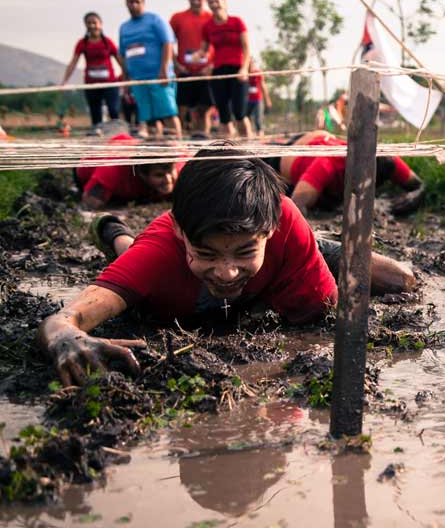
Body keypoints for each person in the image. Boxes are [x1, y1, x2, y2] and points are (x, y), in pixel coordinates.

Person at [39, 146, 417, 386]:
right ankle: (113, 230)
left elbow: (319, 322)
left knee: (402, 280)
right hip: (158, 259)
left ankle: (321, 244)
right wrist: (65, 339)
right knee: (131, 254)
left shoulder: (285, 227)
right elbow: (62, 320)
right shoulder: (160, 251)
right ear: (181, 232)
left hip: (294, 244)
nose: (225, 272)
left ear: (270, 232)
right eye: (206, 254)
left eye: (242, 253)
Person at [264, 130, 424, 216]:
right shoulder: (327, 164)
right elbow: (297, 206)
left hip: (322, 140)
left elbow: (418, 185)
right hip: (287, 156)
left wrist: (413, 198)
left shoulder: (388, 161)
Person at [119, 0, 182, 139]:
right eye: (130, 2)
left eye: (137, 2)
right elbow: (122, 53)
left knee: (168, 113)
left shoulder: (155, 20)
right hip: (138, 79)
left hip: (158, 76)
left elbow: (168, 43)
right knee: (149, 119)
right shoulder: (124, 27)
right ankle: (159, 158)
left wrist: (164, 69)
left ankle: (180, 153)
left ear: (143, 2)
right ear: (126, 4)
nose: (134, 5)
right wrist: (126, 77)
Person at [194, 0, 251, 138]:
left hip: (237, 70)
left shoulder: (236, 22)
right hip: (219, 71)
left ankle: (251, 144)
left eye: (217, 1)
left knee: (239, 112)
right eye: (211, 2)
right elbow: (204, 50)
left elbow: (246, 47)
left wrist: (244, 68)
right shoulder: (208, 26)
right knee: (223, 113)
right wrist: (197, 55)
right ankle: (229, 147)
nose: (214, 4)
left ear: (224, 3)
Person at [73, 133, 179, 209]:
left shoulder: (180, 166)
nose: (168, 179)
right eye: (159, 175)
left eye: (170, 172)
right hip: (88, 168)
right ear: (142, 174)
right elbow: (89, 203)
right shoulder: (112, 172)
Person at [61, 12, 124, 134]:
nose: (92, 25)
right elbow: (73, 63)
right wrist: (65, 80)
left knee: (113, 109)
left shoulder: (108, 42)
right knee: (95, 111)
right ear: (85, 25)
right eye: (89, 23)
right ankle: (97, 133)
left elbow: (120, 60)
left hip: (110, 83)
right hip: (91, 84)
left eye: (94, 22)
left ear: (100, 24)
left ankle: (117, 132)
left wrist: (126, 77)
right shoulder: (82, 43)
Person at [169, 0, 215, 138]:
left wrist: (211, 66)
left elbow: (219, 44)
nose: (195, 1)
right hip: (185, 72)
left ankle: (205, 143)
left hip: (205, 73)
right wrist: (176, 64)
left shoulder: (211, 18)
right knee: (181, 109)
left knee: (204, 110)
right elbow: (167, 43)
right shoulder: (178, 18)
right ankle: (181, 144)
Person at [245, 62, 271, 137]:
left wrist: (267, 100)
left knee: (258, 120)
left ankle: (260, 137)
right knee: (245, 117)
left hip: (257, 100)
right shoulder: (244, 73)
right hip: (247, 100)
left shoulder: (258, 73)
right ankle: (248, 135)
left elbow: (263, 86)